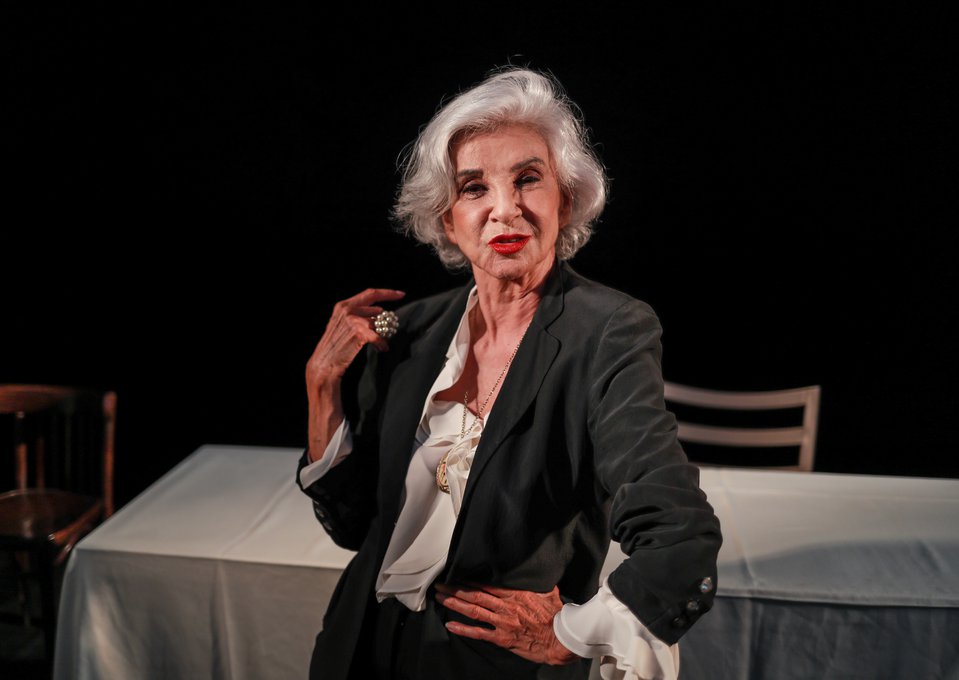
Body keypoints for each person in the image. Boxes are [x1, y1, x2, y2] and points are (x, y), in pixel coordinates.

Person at [297, 65, 722, 680]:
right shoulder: (409, 331)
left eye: (527, 179)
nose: (505, 209)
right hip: (359, 650)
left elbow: (680, 537)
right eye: (474, 188)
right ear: (448, 219)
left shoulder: (608, 331)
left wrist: (574, 634)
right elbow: (355, 526)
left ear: (564, 200)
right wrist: (322, 388)